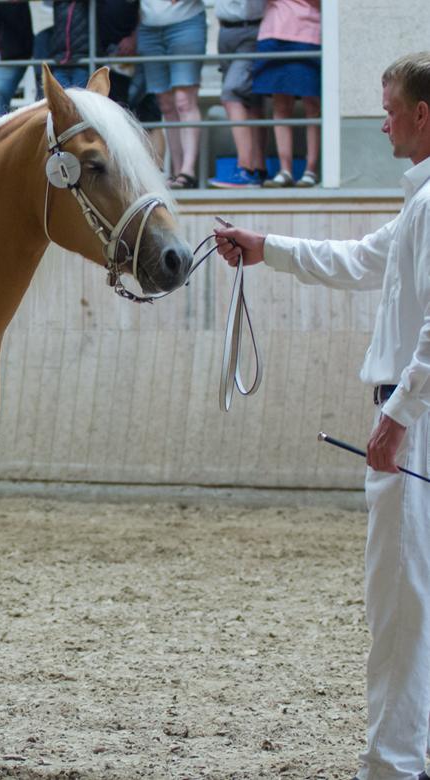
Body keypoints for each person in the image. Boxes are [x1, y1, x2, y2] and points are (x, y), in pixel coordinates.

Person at [214, 51, 430, 780]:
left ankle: (392, 766)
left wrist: (398, 414)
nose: (384, 120)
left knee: (400, 609)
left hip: (415, 423)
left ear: (422, 115)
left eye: (391, 107)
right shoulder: (418, 203)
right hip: (415, 416)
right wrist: (266, 248)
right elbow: (359, 260)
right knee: (409, 604)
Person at [137, 0, 206, 189]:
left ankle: (188, 171)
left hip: (186, 22)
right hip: (148, 27)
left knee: (184, 100)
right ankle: (177, 171)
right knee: (165, 103)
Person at [253, 0, 321, 188]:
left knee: (312, 105)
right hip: (273, 32)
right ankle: (285, 171)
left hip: (309, 32)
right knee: (281, 105)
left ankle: (311, 170)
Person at [208, 0, 267, 188]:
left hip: (252, 28)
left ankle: (245, 169)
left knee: (232, 93)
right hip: (225, 29)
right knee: (249, 101)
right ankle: (258, 169)